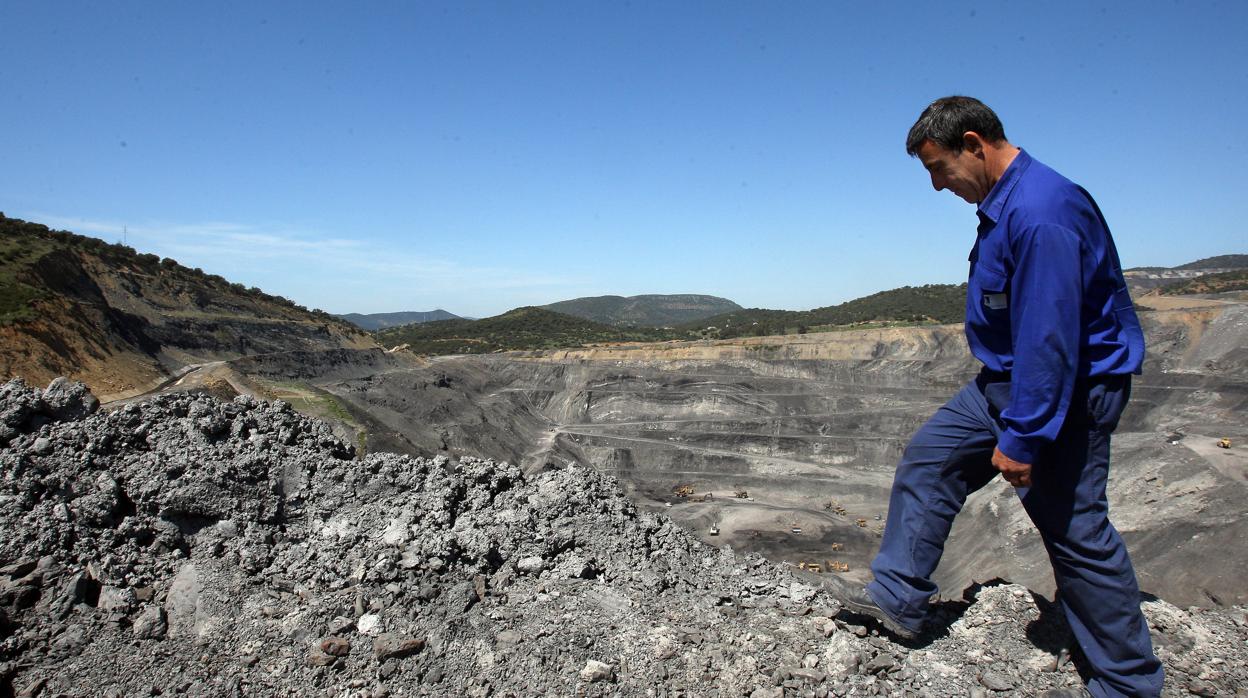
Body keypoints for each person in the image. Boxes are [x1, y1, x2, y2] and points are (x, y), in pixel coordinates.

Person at [835, 96, 1164, 698]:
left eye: (938, 168)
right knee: (931, 458)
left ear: (973, 143)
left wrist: (1025, 436)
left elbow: (1050, 337)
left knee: (1073, 531)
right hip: (1004, 383)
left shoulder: (1042, 211)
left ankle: (1127, 684)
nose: (937, 186)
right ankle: (897, 597)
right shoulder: (1007, 204)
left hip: (1062, 393)